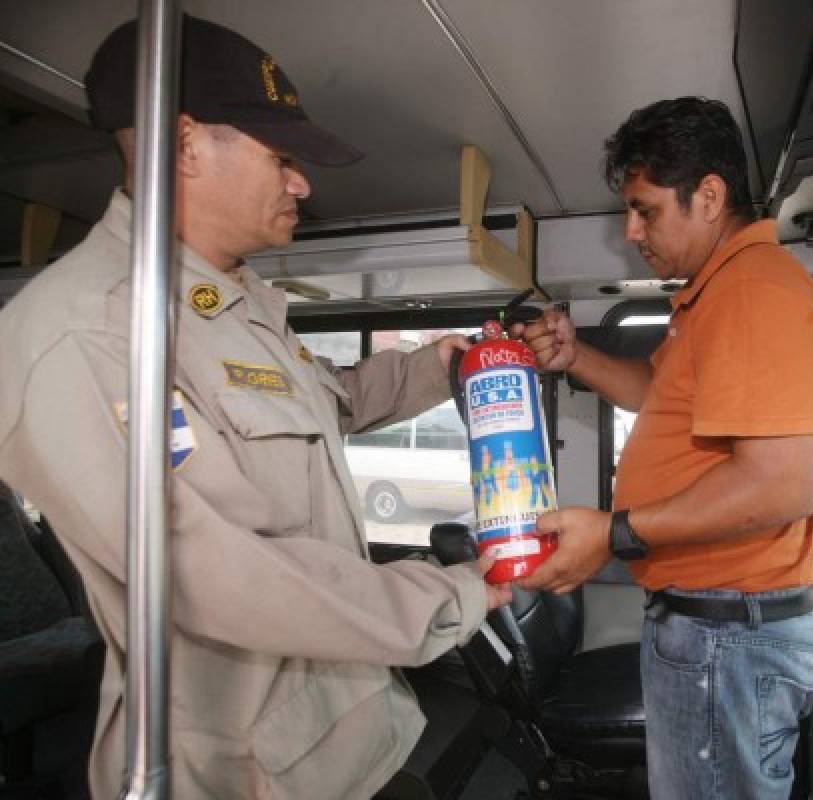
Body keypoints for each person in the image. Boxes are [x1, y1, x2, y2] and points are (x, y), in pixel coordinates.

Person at [0, 16, 510, 799]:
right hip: (238, 775)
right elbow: (215, 573)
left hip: (351, 740)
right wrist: (463, 591)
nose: (302, 183)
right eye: (283, 158)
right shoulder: (85, 331)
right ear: (187, 143)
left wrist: (444, 367)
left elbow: (322, 407)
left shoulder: (231, 307)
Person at [513, 97, 813, 800]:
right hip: (714, 628)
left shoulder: (756, 292)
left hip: (728, 637)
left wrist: (615, 533)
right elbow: (651, 392)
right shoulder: (712, 295)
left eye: (646, 210)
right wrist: (575, 357)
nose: (632, 232)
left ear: (710, 196)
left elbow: (782, 486)